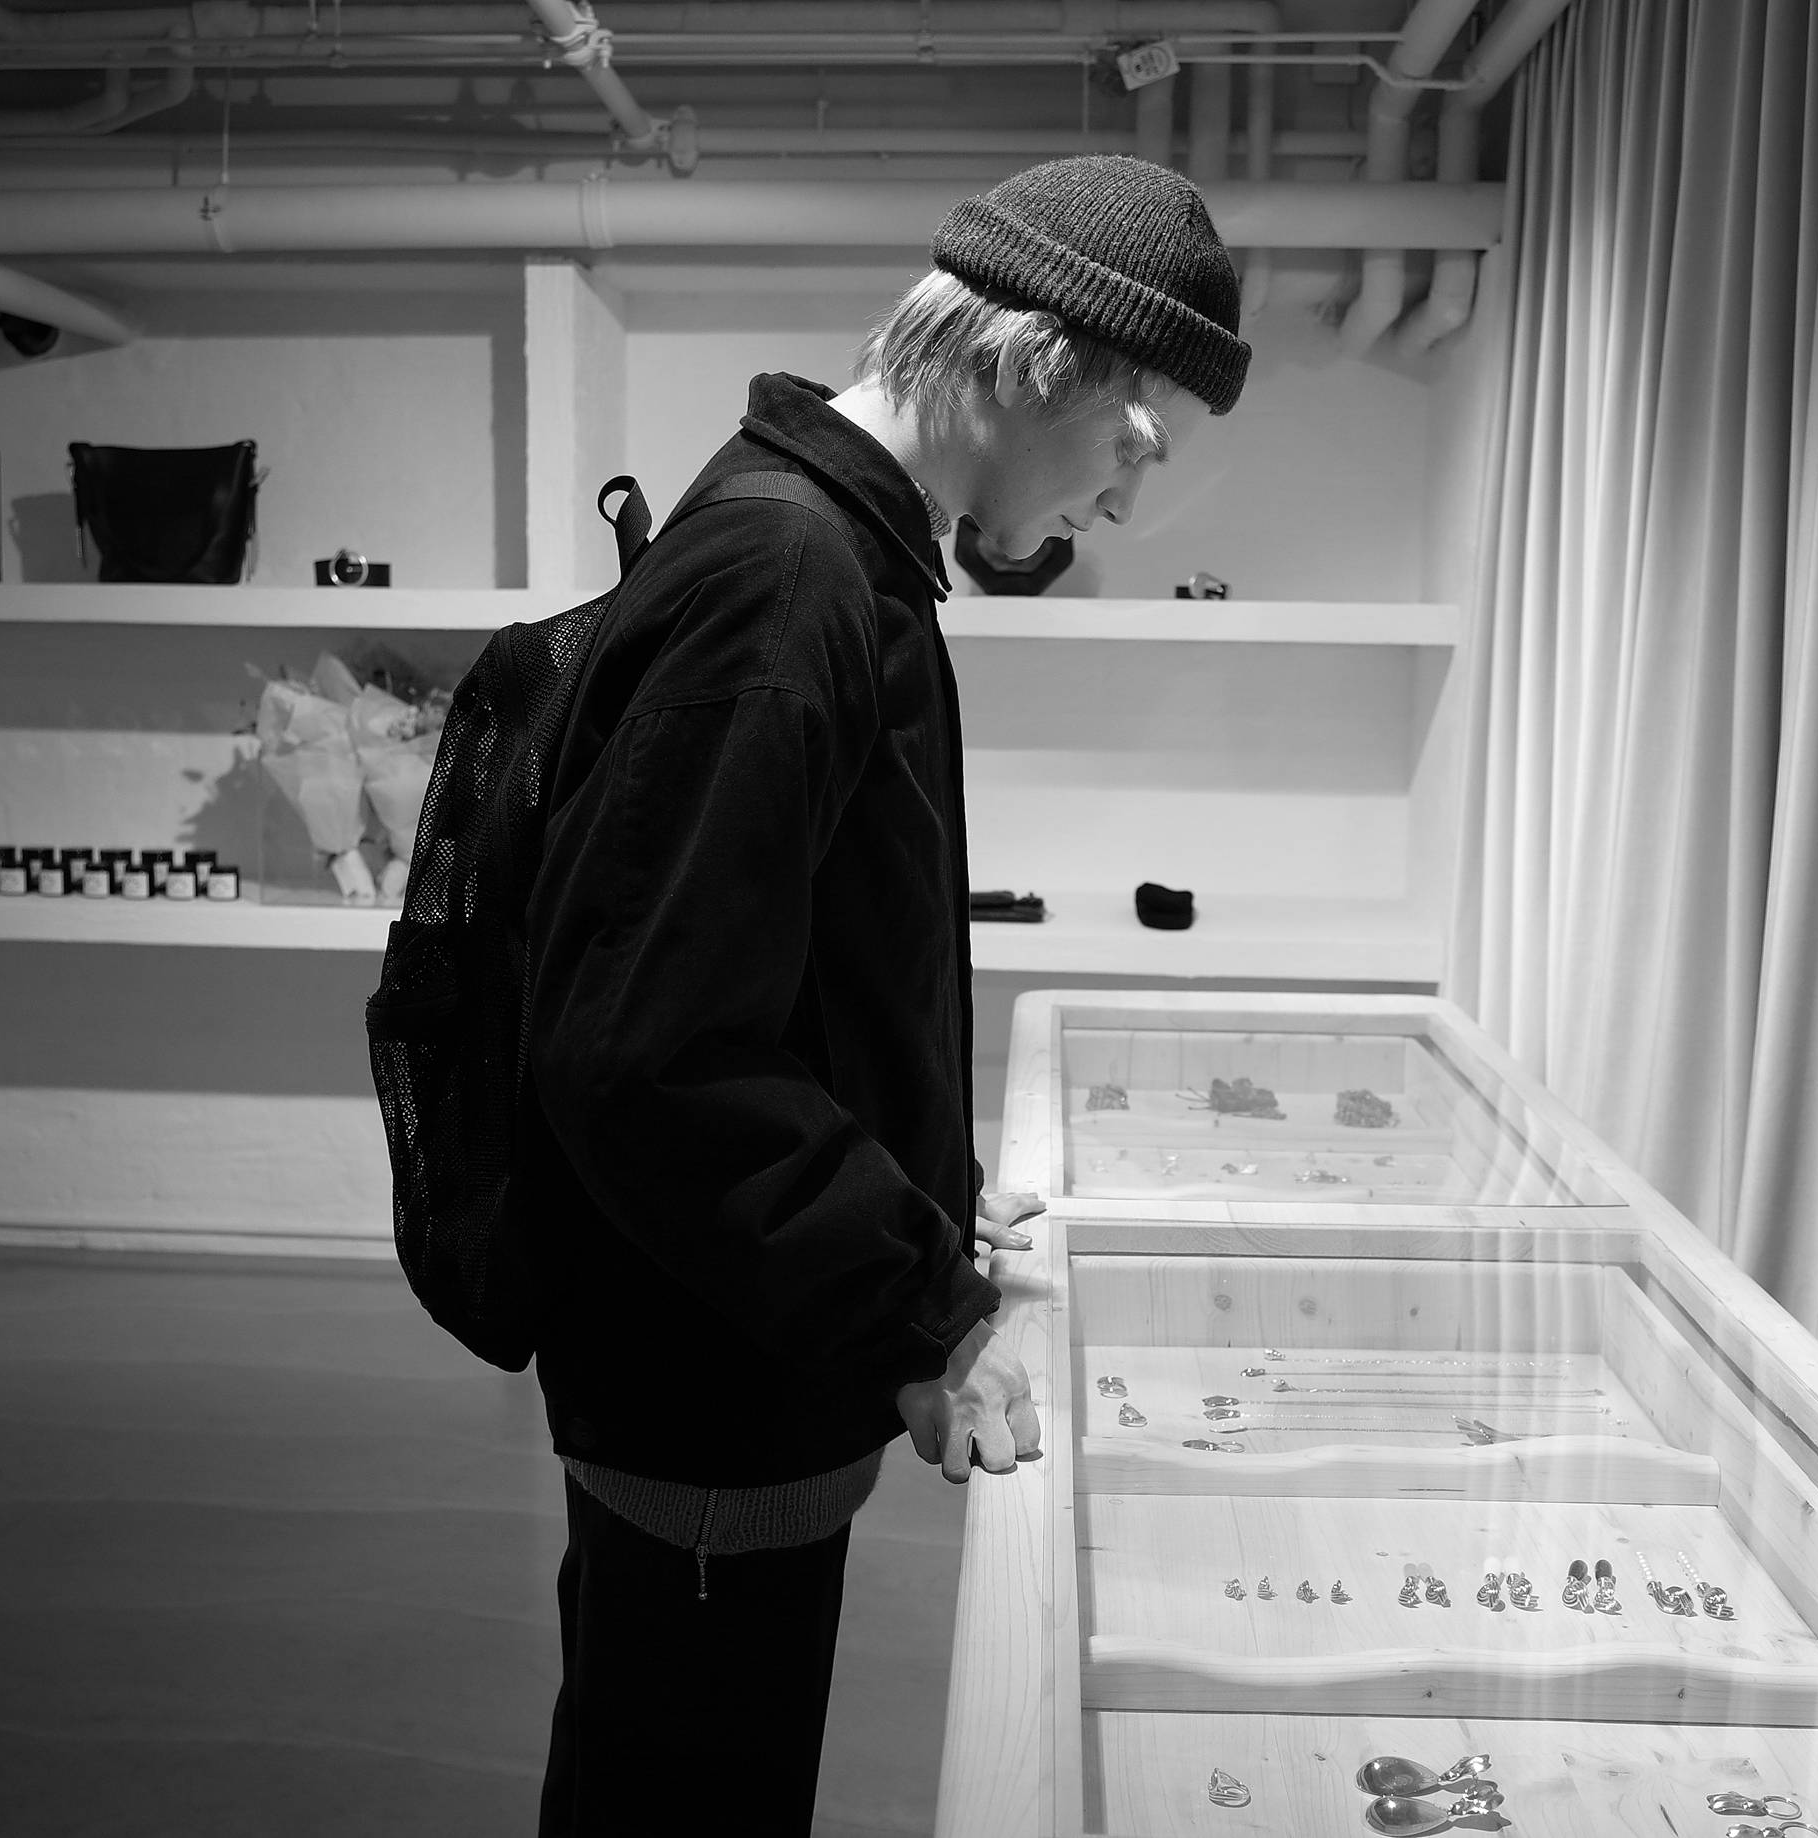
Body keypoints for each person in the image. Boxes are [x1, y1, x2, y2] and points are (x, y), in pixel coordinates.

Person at [515, 154, 1250, 1835]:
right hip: (712, 1392)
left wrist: (930, 1204)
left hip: (742, 1350)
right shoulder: (793, 584)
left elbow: (806, 973)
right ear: (1032, 365)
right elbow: (650, 1053)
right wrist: (920, 1301)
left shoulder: (834, 553)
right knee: (686, 1796)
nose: (1129, 495)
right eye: (1137, 430)